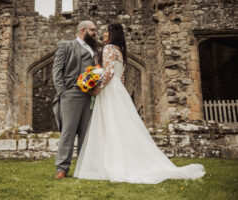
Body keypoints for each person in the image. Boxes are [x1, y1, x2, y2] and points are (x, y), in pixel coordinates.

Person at [74, 23, 205, 184]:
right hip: (118, 91)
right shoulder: (121, 52)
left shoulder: (108, 49)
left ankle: (113, 164)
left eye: (106, 32)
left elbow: (108, 74)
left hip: (108, 90)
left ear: (112, 34)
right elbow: (121, 78)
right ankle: (120, 161)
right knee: (120, 126)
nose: (103, 34)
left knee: (109, 126)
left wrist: (96, 90)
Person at [52, 20, 98, 179]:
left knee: (87, 133)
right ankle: (62, 168)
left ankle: (83, 167)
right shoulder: (66, 45)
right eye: (93, 30)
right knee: (68, 132)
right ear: (83, 30)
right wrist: (63, 92)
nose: (95, 33)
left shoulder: (93, 50)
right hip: (71, 94)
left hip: (89, 96)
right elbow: (56, 71)